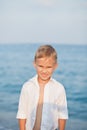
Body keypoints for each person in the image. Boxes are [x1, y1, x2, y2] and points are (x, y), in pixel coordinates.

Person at [16, 45, 68, 130]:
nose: (44, 71)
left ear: (55, 66)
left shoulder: (59, 88)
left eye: (48, 67)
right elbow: (22, 113)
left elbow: (62, 114)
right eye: (41, 66)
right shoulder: (27, 86)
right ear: (34, 64)